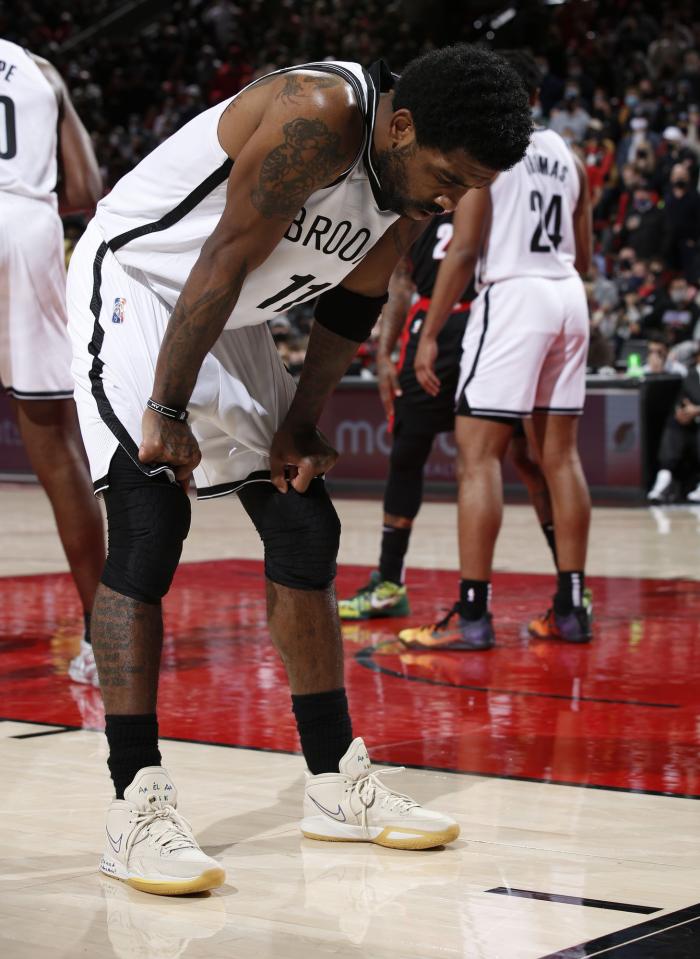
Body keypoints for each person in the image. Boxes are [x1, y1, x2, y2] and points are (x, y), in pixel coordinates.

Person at [65, 47, 532, 894]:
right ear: (400, 126)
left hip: (230, 310)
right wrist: (166, 408)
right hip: (143, 282)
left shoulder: (413, 183)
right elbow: (223, 254)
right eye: (449, 178)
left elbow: (355, 300)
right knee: (148, 519)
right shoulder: (317, 114)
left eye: (469, 188)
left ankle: (333, 783)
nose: (450, 200)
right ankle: (135, 802)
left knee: (303, 521)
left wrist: (301, 423)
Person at [409, 50, 593, 649]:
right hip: (568, 296)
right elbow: (586, 256)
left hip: (515, 295)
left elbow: (463, 250)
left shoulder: (490, 149)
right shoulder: (571, 157)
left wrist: (430, 333)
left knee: (478, 456)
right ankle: (571, 609)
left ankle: (472, 614)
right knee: (560, 458)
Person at [338, 214, 559, 623]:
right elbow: (400, 280)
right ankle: (389, 584)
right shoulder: (416, 203)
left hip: (492, 323)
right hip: (431, 327)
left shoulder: (496, 190)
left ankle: (570, 589)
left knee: (526, 456)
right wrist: (384, 354)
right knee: (406, 453)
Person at [0, 39, 106, 686]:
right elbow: (87, 186)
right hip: (29, 228)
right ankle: (103, 635)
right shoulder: (39, 70)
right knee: (57, 446)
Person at [647, 343, 700, 502]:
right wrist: (681, 412)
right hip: (691, 424)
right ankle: (663, 479)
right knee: (673, 425)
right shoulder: (690, 375)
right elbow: (681, 400)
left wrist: (697, 410)